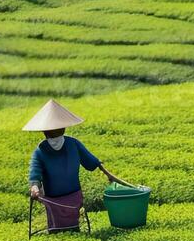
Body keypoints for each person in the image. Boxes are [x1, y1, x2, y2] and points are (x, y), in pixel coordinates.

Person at [23, 99, 125, 232]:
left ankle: (74, 233)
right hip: (53, 199)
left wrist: (105, 171)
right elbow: (35, 171)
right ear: (45, 132)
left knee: (73, 225)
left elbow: (90, 161)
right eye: (51, 131)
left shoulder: (73, 144)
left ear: (63, 128)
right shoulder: (41, 151)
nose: (55, 134)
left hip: (73, 195)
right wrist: (35, 187)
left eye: (58, 129)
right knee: (56, 228)